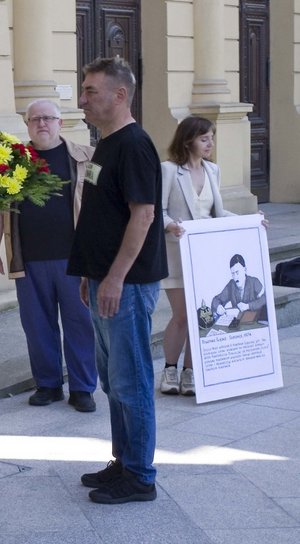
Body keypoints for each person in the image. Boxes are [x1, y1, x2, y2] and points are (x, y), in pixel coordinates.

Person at [69, 57, 167, 504]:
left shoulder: (135, 145)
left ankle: (140, 476)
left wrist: (114, 278)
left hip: (126, 285)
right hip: (105, 280)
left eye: (91, 91)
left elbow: (142, 216)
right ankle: (123, 462)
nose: (82, 99)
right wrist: (92, 273)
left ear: (120, 94)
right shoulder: (106, 144)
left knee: (132, 380)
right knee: (113, 380)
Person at [0, 99, 98, 412]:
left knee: (80, 323)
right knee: (37, 325)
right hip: (29, 259)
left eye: (48, 118)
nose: (42, 124)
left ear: (61, 123)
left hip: (75, 259)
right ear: (27, 125)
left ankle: (83, 388)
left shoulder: (86, 158)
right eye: (35, 119)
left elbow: (103, 204)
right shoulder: (11, 162)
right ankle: (48, 384)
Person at [159, 116, 235, 396]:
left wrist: (251, 221)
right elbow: (156, 211)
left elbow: (218, 213)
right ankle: (169, 369)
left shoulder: (213, 170)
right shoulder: (168, 170)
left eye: (211, 138)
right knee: (181, 315)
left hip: (207, 255)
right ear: (188, 140)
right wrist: (170, 225)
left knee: (201, 315)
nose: (210, 143)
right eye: (204, 139)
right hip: (177, 254)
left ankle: (190, 372)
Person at [211, 254, 266, 319]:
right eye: (233, 274)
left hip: (256, 320)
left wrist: (248, 306)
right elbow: (216, 300)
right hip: (238, 322)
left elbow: (265, 298)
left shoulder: (254, 282)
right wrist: (218, 307)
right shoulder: (231, 285)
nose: (235, 277)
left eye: (237, 272)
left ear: (245, 270)